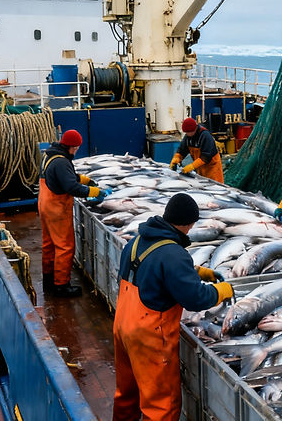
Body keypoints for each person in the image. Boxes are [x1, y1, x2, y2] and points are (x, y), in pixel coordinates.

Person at [112, 193, 233, 421]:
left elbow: (155, 268)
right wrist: (221, 291)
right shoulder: (173, 254)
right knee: (161, 405)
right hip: (150, 337)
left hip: (122, 326)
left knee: (127, 393)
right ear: (189, 223)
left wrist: (196, 271)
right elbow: (195, 299)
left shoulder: (136, 241)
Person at [39, 129, 111, 297]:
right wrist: (95, 191)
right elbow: (71, 187)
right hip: (57, 209)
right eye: (77, 147)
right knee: (65, 246)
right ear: (71, 146)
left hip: (45, 205)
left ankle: (48, 281)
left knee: (49, 244)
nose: (77, 150)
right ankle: (61, 285)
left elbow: (64, 177)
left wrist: (84, 179)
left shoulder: (50, 155)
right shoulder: (62, 162)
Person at [169, 117, 224, 183]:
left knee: (215, 188)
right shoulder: (188, 137)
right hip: (200, 169)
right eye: (186, 132)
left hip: (212, 170)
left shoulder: (205, 135)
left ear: (194, 129)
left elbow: (206, 157)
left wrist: (192, 166)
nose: (188, 134)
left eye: (189, 132)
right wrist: (176, 158)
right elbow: (182, 150)